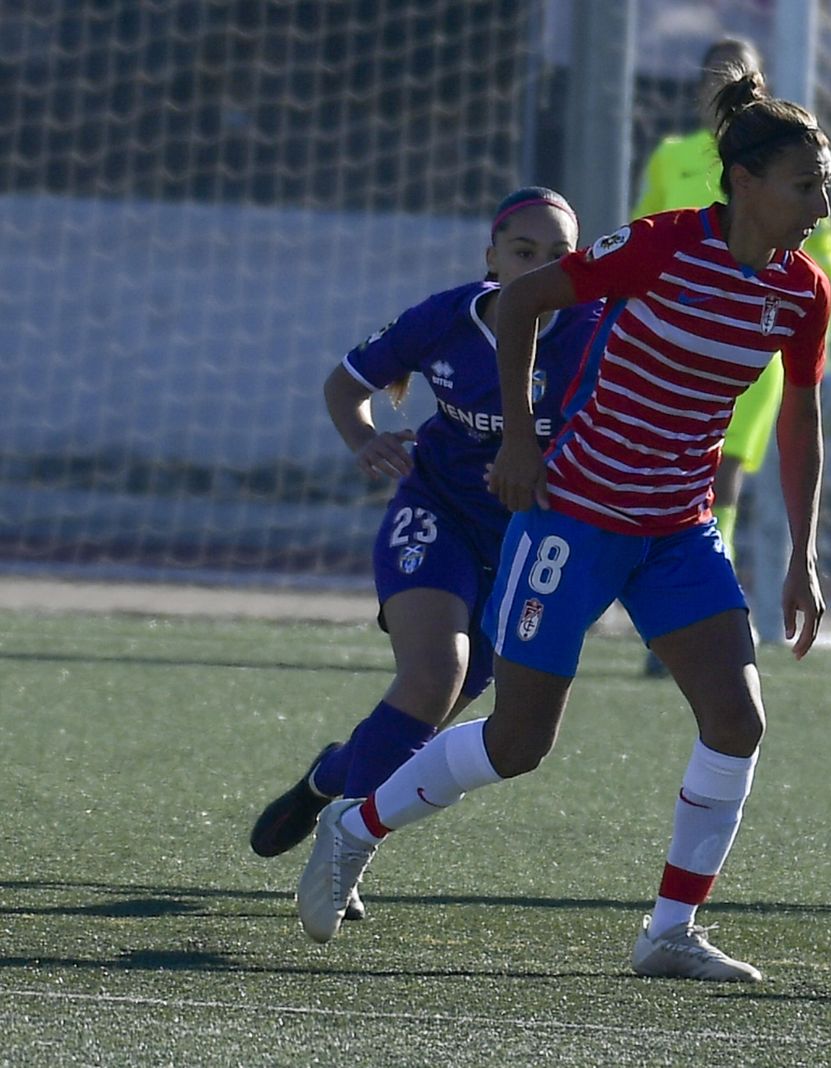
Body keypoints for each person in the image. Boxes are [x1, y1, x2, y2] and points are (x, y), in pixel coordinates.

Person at [293, 63, 831, 984]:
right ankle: (356, 823)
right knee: (518, 743)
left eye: (826, 181)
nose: (824, 200)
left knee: (738, 719)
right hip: (574, 518)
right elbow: (519, 306)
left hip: (677, 527)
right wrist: (518, 445)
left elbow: (799, 418)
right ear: (746, 182)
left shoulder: (802, 293)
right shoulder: (660, 247)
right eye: (807, 182)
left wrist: (804, 557)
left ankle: (669, 931)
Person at [249, 188, 604, 923]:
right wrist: (365, 437)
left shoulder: (596, 332)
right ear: (492, 258)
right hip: (433, 513)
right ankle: (343, 856)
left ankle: (330, 776)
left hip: (529, 543)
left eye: (558, 257)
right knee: (431, 676)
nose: (539, 269)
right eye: (523, 253)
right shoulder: (445, 317)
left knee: (423, 727)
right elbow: (346, 385)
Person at [633, 35, 831, 674]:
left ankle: (701, 610)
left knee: (722, 465)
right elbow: (643, 231)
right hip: (678, 333)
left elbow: (823, 248)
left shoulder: (795, 158)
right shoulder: (672, 156)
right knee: (662, 465)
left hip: (759, 325)